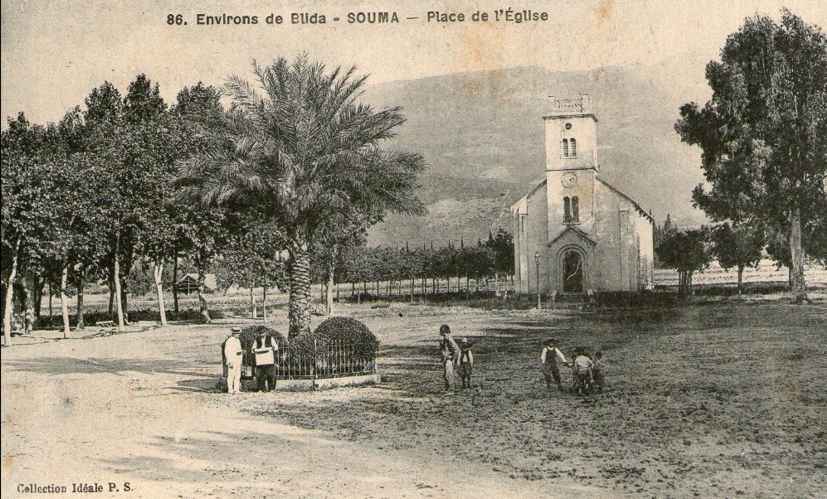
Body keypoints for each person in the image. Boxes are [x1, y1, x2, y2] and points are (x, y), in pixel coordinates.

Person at [438, 324, 461, 390]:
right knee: (446, 375)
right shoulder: (445, 339)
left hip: (449, 360)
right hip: (446, 359)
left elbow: (457, 350)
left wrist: (452, 358)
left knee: (449, 374)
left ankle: (451, 389)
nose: (442, 335)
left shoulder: (449, 339)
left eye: (443, 333)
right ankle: (447, 388)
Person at [223, 327, 243, 394]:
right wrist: (229, 361)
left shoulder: (238, 340)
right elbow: (227, 352)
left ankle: (236, 389)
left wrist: (241, 352)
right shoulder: (229, 341)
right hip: (232, 360)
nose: (238, 335)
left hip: (238, 360)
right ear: (234, 333)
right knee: (231, 375)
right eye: (237, 334)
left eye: (239, 334)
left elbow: (238, 350)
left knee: (237, 375)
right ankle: (230, 389)